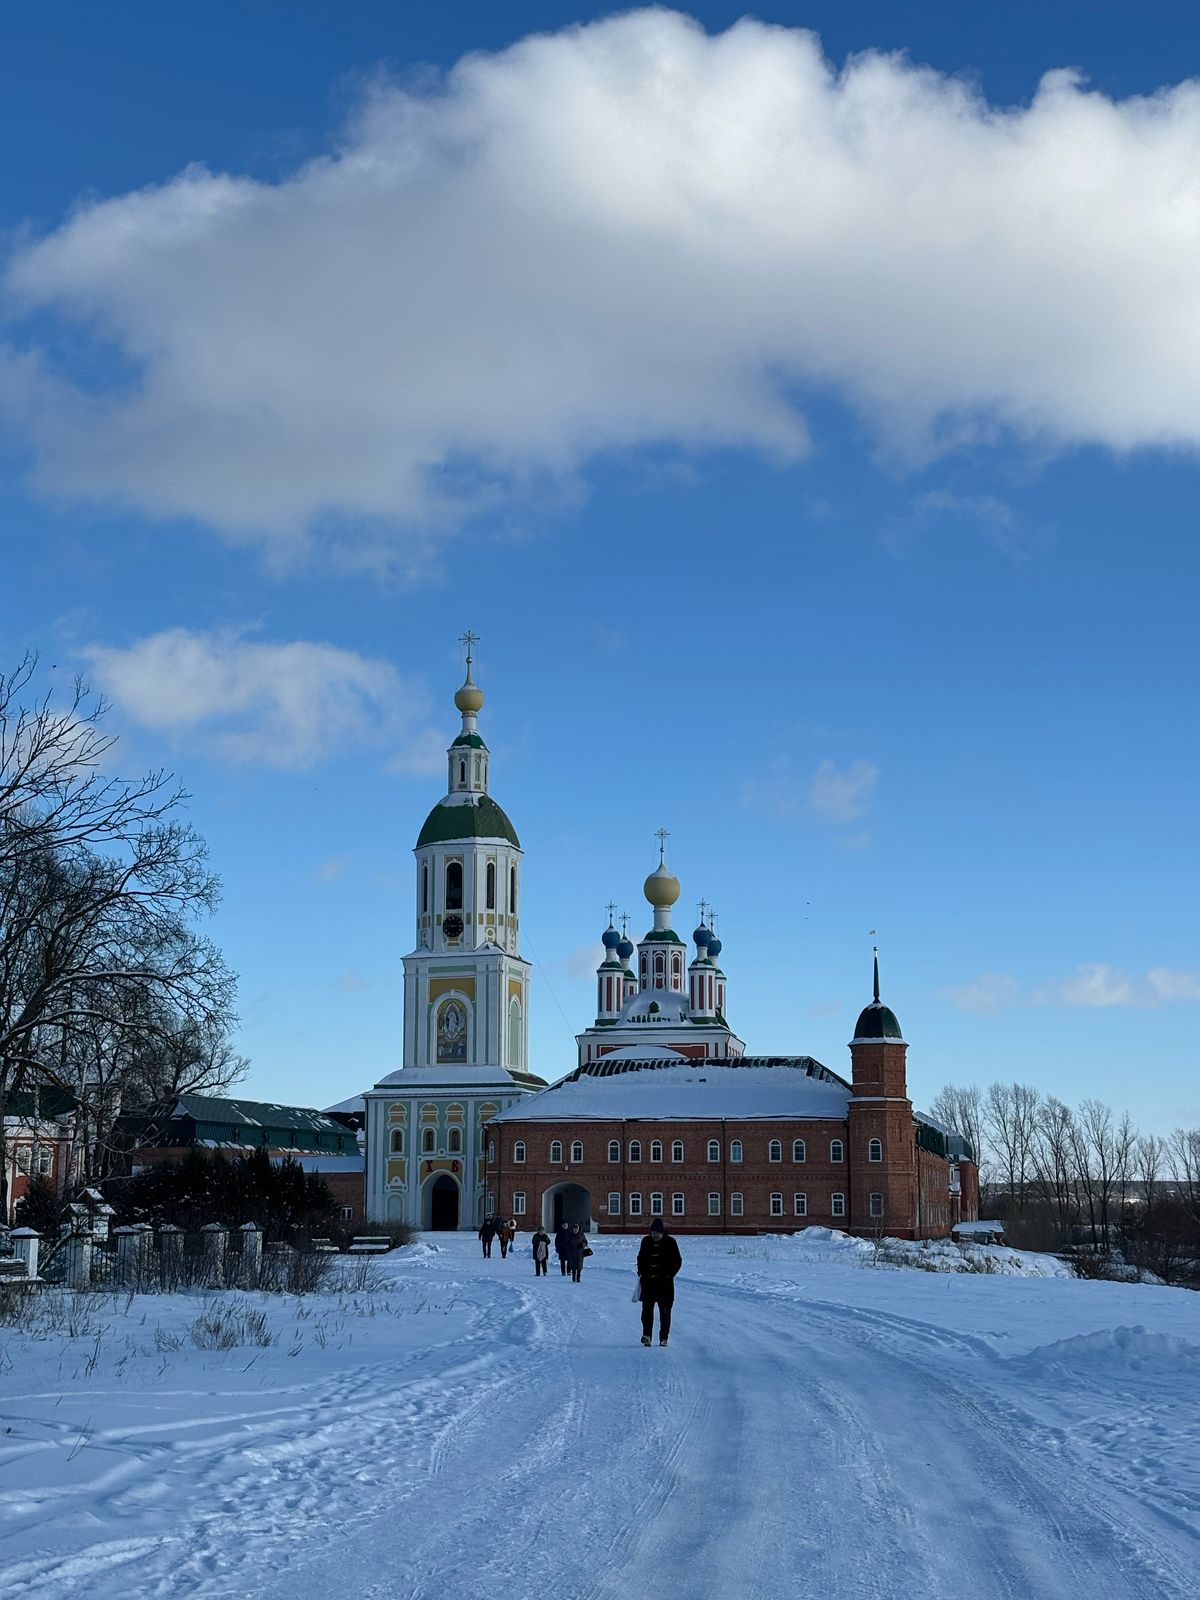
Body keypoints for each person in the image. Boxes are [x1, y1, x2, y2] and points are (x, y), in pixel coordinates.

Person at [636, 1218, 682, 1346]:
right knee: (646, 1311)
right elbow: (640, 1258)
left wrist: (669, 1274)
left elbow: (677, 1261)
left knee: (665, 1312)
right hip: (648, 1283)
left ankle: (663, 1338)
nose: (655, 1236)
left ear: (662, 1232)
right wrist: (641, 1273)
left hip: (665, 1284)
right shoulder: (646, 1241)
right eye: (653, 1233)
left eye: (657, 1234)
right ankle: (647, 1335)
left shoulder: (670, 1242)